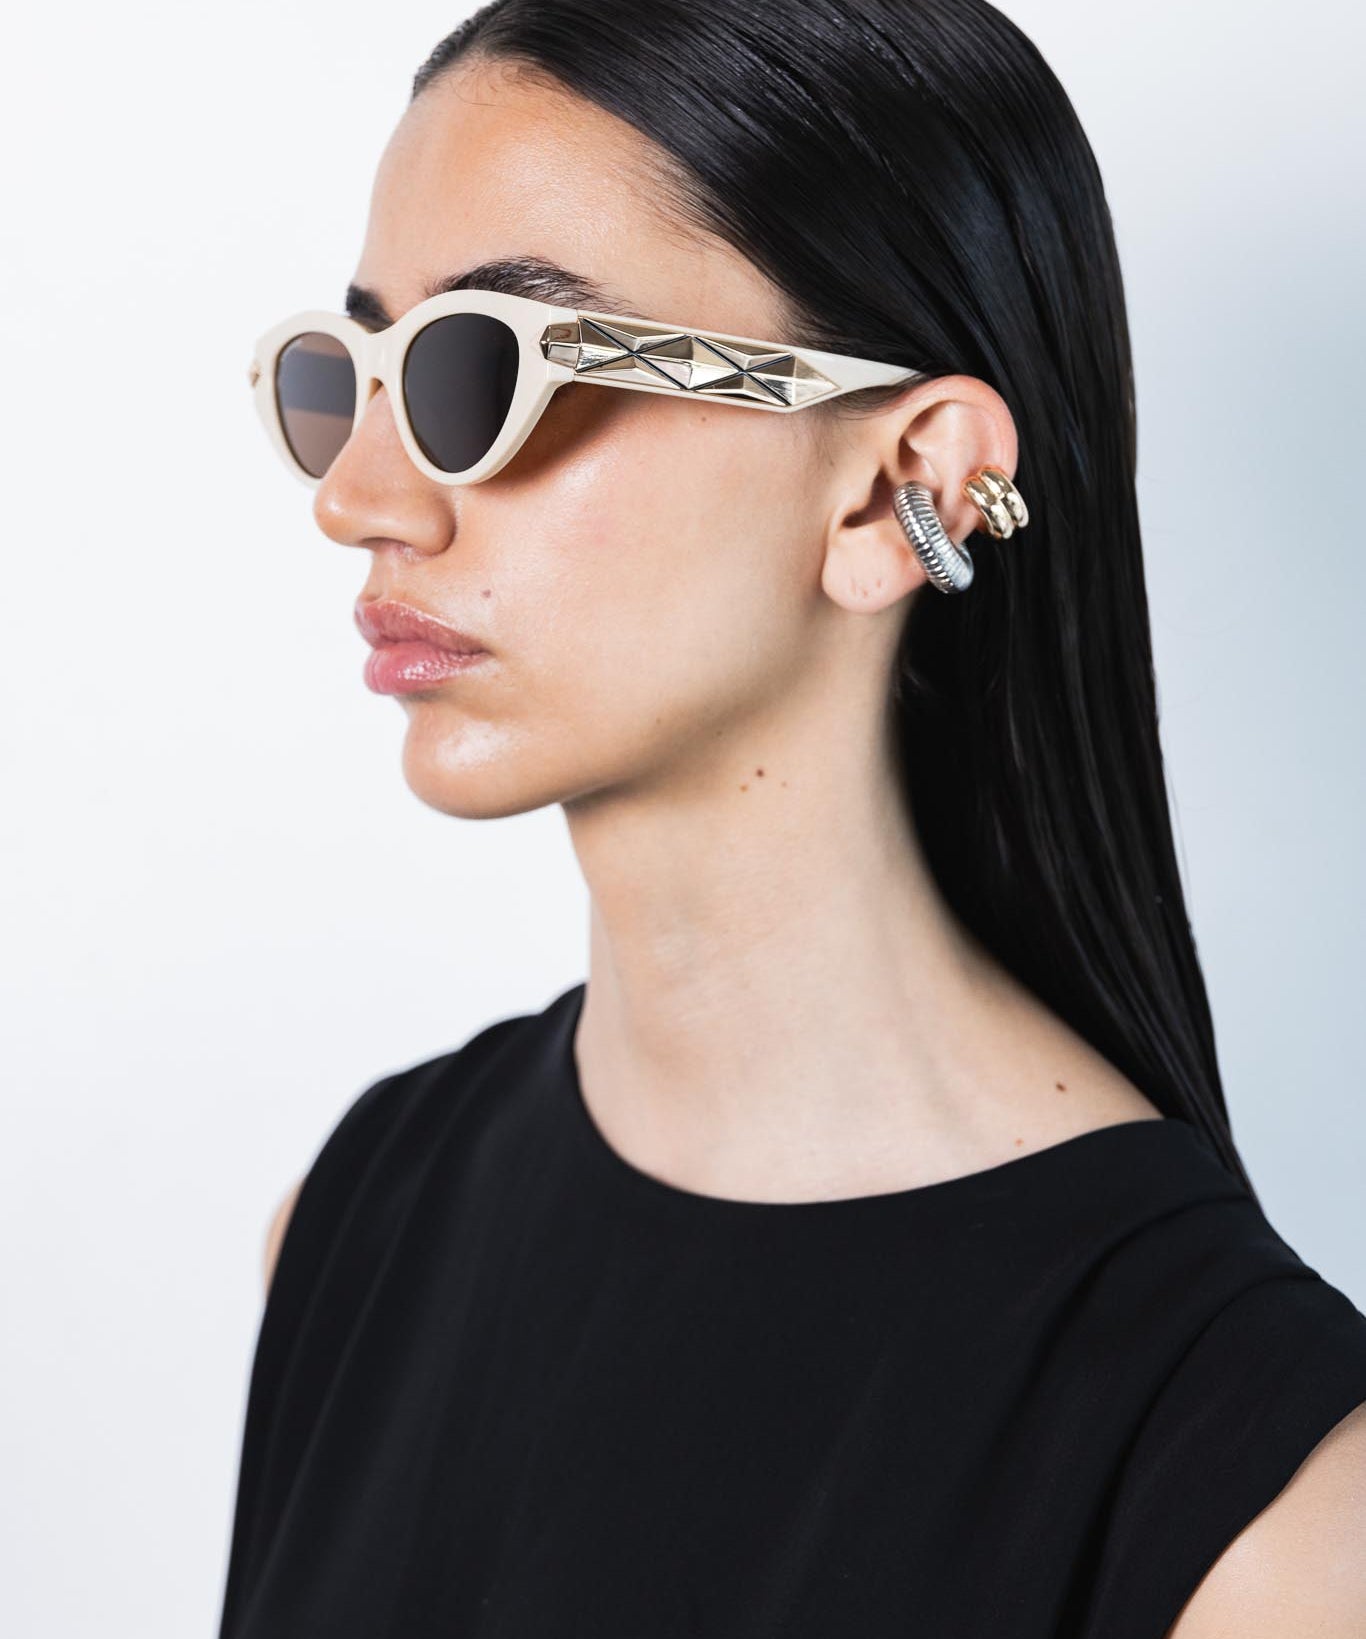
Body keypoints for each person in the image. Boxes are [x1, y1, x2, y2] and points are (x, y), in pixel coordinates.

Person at [218, 2, 1366, 1635]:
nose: (360, 499)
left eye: (492, 368)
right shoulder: (353, 1225)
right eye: (358, 377)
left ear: (906, 487)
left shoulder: (1266, 1506)